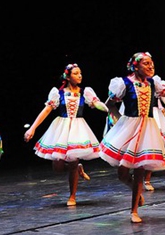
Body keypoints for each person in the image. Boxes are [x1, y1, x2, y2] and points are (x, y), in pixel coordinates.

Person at [99, 52, 165, 223]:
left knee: (139, 169)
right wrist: (118, 121)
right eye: (146, 63)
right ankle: (135, 191)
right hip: (129, 126)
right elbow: (109, 104)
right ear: (135, 66)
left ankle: (134, 210)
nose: (151, 66)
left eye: (152, 63)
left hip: (147, 128)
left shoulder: (153, 83)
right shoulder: (123, 84)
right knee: (122, 173)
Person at [24, 63, 108, 206]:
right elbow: (46, 111)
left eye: (80, 73)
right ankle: (77, 168)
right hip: (61, 128)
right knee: (57, 167)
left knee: (73, 161)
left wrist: (106, 108)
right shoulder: (58, 93)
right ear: (68, 77)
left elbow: (97, 104)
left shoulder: (85, 92)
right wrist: (32, 128)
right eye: (75, 73)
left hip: (78, 128)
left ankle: (72, 196)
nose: (79, 75)